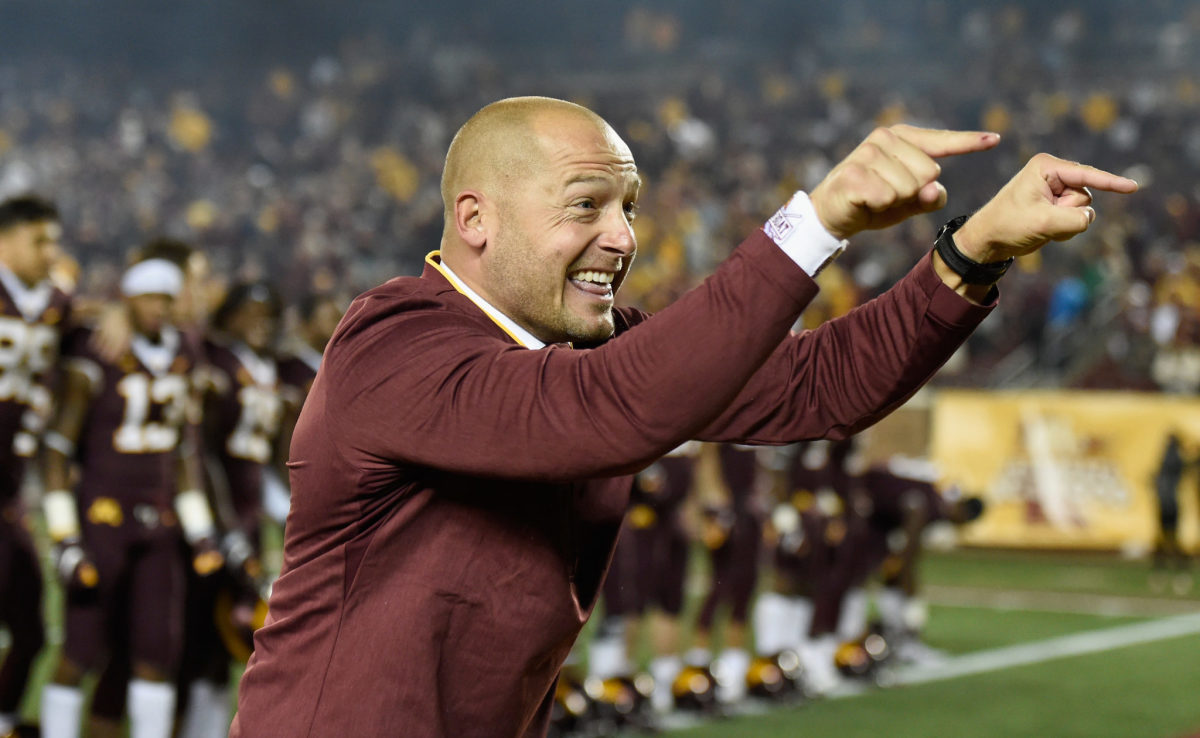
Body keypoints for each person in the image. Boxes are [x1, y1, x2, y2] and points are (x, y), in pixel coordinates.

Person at [232, 95, 1137, 737]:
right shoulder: (394, 341)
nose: (623, 238)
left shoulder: (596, 351)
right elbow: (609, 412)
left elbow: (821, 387)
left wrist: (974, 249)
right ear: (476, 218)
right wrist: (814, 223)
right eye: (586, 205)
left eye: (628, 208)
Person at [39, 258, 221, 738]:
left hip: (159, 522)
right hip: (103, 516)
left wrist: (201, 531)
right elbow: (57, 447)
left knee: (156, 652)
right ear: (128, 299)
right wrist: (64, 536)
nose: (158, 309)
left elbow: (185, 454)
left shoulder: (185, 352)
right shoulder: (100, 349)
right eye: (148, 299)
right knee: (80, 649)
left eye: (166, 299)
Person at [0, 194, 69, 738]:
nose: (51, 251)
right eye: (40, 239)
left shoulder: (57, 305)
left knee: (30, 625)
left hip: (7, 491)